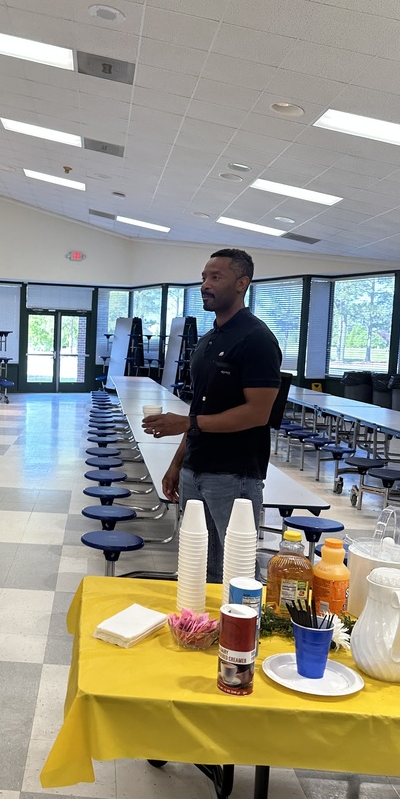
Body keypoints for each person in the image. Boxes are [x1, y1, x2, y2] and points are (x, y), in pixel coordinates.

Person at [143, 249, 282, 583]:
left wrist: (189, 424)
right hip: (195, 470)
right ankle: (197, 630)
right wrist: (179, 462)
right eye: (204, 277)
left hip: (234, 476)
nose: (205, 284)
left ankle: (239, 633)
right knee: (198, 566)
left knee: (236, 570)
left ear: (241, 283)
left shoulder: (257, 339)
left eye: (215, 277)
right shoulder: (207, 342)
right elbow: (198, 410)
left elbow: (258, 413)